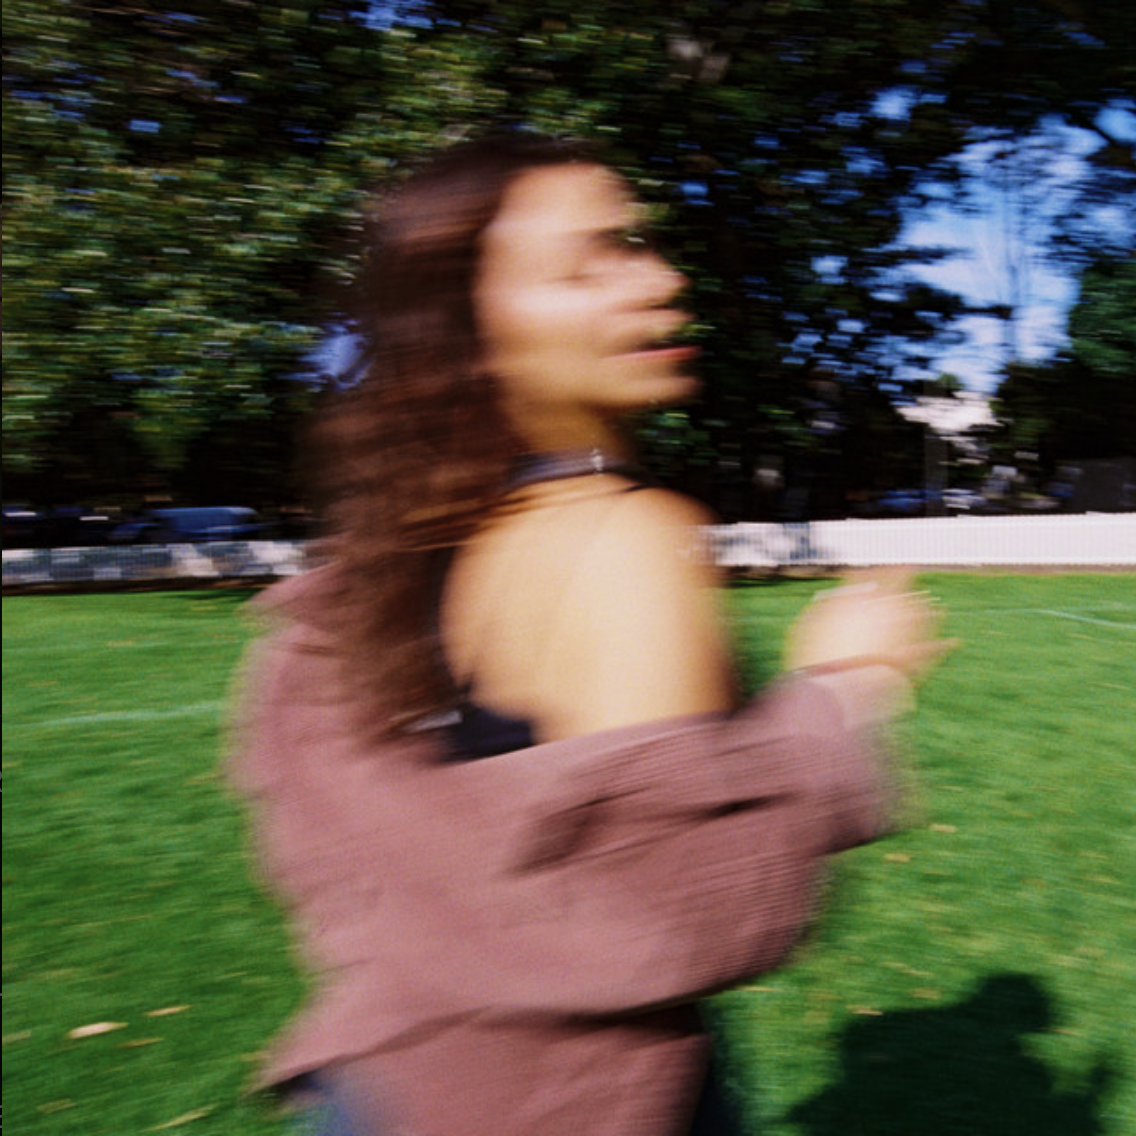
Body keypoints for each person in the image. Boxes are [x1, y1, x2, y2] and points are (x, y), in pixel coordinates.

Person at [229, 133, 950, 1136]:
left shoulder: (411, 548)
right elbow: (688, 907)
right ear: (470, 332)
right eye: (590, 262)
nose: (660, 280)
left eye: (640, 243)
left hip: (393, 1080)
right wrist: (848, 680)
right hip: (559, 1102)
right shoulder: (621, 539)